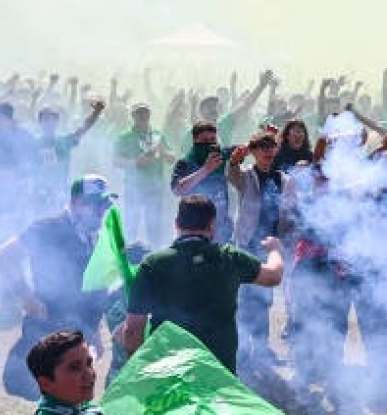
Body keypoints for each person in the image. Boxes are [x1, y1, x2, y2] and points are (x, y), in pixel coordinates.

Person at [120, 195, 285, 375]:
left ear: (176, 224)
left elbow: (132, 332)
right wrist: (275, 250)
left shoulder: (154, 264)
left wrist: (141, 375)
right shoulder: (229, 257)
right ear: (211, 225)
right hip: (219, 375)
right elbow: (273, 276)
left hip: (169, 374)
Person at [0, 175, 119, 401]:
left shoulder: (97, 236)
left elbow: (95, 288)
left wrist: (95, 330)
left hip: (80, 331)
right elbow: (5, 256)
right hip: (48, 327)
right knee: (20, 382)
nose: (100, 211)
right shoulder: (48, 228)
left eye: (103, 205)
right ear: (75, 203)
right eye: (93, 204)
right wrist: (26, 297)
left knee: (74, 394)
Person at [227, 128, 289, 373]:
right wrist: (234, 160)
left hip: (269, 247)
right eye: (262, 147)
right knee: (244, 300)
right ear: (253, 152)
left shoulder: (283, 180)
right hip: (246, 245)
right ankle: (242, 350)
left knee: (264, 300)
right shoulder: (246, 176)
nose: (267, 152)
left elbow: (289, 212)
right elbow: (231, 174)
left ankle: (262, 350)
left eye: (270, 147)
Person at [114, 103, 175, 245]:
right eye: (139, 113)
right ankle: (129, 256)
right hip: (134, 188)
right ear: (133, 116)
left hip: (155, 189)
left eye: (145, 113)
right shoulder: (125, 136)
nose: (143, 116)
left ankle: (155, 256)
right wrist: (135, 163)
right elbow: (116, 161)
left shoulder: (157, 135)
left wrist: (163, 152)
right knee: (131, 226)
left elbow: (172, 157)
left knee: (154, 226)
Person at [171, 120, 233, 243]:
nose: (209, 144)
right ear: (195, 141)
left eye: (213, 140)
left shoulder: (220, 155)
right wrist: (206, 170)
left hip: (220, 225)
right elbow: (177, 189)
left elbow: (246, 148)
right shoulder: (185, 162)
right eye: (205, 140)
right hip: (194, 229)